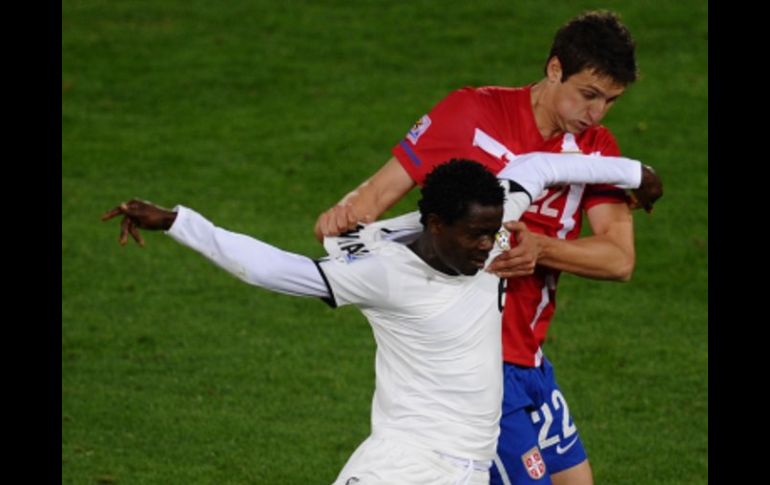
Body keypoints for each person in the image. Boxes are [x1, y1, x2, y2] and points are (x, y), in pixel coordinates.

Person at [103, 154, 655, 485]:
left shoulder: (492, 219)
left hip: (470, 468)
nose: (490, 245)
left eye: (493, 232)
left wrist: (638, 174)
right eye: (476, 236)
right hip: (404, 465)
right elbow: (273, 269)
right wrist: (178, 222)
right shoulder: (385, 273)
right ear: (435, 225)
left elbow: (542, 166)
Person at [312, 10, 660, 485]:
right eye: (588, 94)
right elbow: (372, 198)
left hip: (529, 358)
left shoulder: (596, 151)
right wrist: (341, 216)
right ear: (554, 69)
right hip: (473, 358)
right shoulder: (471, 114)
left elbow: (619, 258)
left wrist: (541, 249)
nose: (595, 113)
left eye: (610, 101)